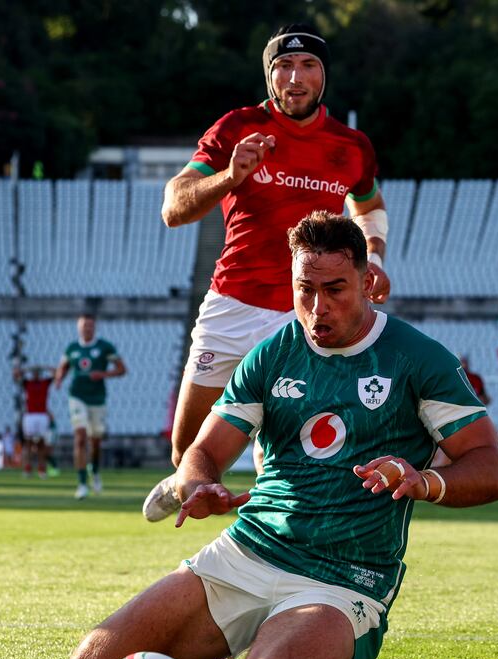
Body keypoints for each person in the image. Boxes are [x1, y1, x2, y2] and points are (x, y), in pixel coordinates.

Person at [68, 212, 498, 659]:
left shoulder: (418, 359)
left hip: (346, 575)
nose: (318, 308)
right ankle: (241, 655)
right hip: (249, 551)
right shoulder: (272, 353)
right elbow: (204, 451)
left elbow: (491, 470)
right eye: (305, 290)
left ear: (368, 282)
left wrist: (423, 481)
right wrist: (198, 483)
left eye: (336, 290)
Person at [144, 22, 391, 521]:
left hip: (305, 311)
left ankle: (275, 547)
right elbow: (174, 207)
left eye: (308, 66)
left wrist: (376, 257)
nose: (295, 77)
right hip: (232, 304)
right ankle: (185, 482)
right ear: (269, 76)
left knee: (283, 451)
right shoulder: (235, 128)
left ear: (324, 76)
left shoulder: (350, 145)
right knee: (188, 452)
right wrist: (231, 176)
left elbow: (368, 205)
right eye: (283, 66)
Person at [54, 314, 127, 500]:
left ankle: (94, 471)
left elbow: (121, 369)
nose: (87, 329)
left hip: (98, 398)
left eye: (90, 326)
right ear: (79, 328)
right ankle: (81, 484)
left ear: (94, 328)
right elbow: (63, 367)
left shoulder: (104, 347)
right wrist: (59, 378)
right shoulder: (72, 348)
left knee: (95, 442)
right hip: (77, 396)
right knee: (80, 437)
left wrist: (102, 374)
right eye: (84, 326)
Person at [13, 363, 55, 479]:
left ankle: (42, 468)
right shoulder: (27, 383)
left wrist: (44, 367)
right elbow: (15, 374)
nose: (36, 374)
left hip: (42, 415)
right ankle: (27, 468)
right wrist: (27, 369)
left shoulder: (45, 383)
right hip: (30, 415)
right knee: (28, 443)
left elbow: (56, 373)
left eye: (37, 373)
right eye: (34, 373)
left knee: (41, 443)